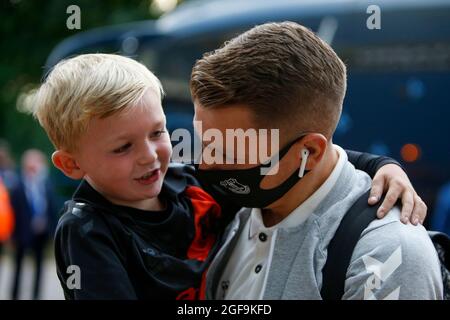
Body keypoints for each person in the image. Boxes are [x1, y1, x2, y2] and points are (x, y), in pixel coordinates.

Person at [30, 53, 425, 300]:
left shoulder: (189, 184)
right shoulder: (86, 231)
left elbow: (315, 156)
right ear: (71, 165)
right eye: (122, 148)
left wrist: (381, 166)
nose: (150, 156)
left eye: (157, 133)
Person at [190, 22, 443, 299]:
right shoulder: (229, 209)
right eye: (205, 142)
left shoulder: (388, 255)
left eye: (230, 154)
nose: (206, 165)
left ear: (308, 152)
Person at [9, 149, 58, 299]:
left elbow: (51, 207)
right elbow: (13, 212)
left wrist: (51, 229)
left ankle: (36, 294)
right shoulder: (18, 186)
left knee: (40, 266)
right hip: (22, 233)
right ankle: (15, 294)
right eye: (34, 163)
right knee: (18, 266)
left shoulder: (46, 185)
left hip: (41, 233)